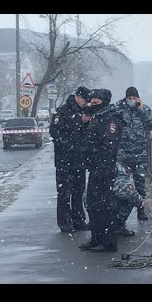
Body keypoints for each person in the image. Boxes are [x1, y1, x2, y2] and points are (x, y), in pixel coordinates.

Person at [79, 89, 126, 252]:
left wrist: (101, 166)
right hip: (95, 167)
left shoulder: (110, 119)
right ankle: (96, 238)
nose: (92, 104)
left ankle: (108, 242)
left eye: (95, 102)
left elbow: (109, 146)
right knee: (93, 205)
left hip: (103, 169)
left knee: (103, 206)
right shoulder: (98, 117)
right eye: (91, 101)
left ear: (103, 102)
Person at [49, 86, 91, 233]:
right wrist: (72, 147)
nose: (86, 103)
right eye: (85, 100)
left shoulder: (84, 112)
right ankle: (65, 222)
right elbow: (55, 134)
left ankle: (78, 220)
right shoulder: (63, 112)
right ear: (78, 97)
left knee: (78, 192)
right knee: (64, 193)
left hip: (79, 160)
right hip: (65, 160)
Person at [115, 86, 152, 221]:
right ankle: (120, 216)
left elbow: (151, 123)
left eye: (134, 98)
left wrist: (141, 110)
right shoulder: (118, 108)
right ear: (125, 98)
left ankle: (141, 209)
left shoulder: (144, 109)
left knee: (140, 183)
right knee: (122, 184)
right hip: (122, 153)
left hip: (140, 152)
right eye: (129, 98)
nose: (132, 101)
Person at [112, 157, 147, 237]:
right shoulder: (121, 172)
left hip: (95, 205)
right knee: (129, 200)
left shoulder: (114, 166)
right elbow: (129, 192)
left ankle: (107, 224)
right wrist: (141, 202)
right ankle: (117, 225)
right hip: (105, 206)